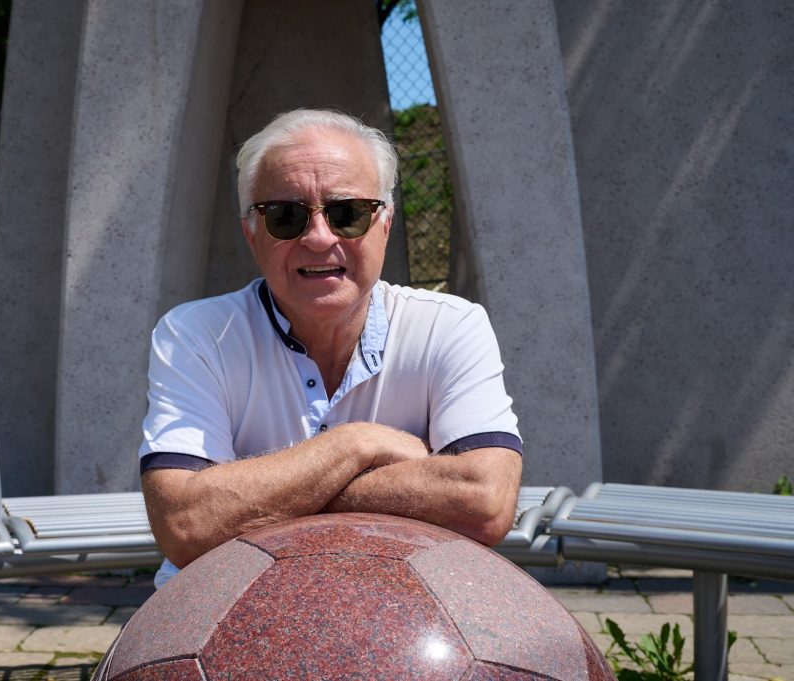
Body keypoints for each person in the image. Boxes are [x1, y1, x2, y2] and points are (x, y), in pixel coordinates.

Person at [139, 109, 522, 587]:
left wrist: (263, 498)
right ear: (250, 232)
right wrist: (360, 443)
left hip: (407, 615)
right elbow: (184, 524)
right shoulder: (195, 334)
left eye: (347, 214)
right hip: (224, 619)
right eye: (285, 216)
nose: (319, 238)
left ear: (385, 223)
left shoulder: (451, 327)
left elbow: (485, 503)